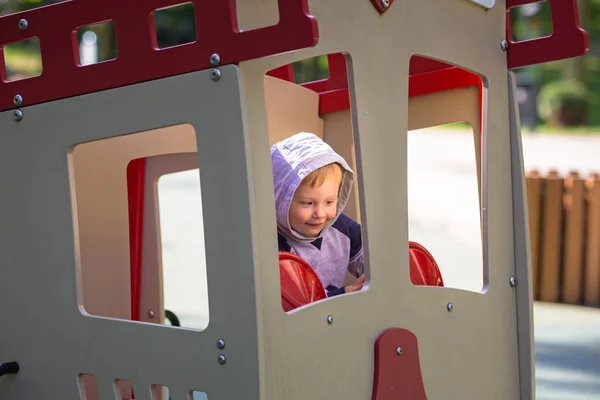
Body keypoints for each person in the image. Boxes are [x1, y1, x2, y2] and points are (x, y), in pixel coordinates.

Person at [271, 132, 365, 297]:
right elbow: (298, 300)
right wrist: (345, 294)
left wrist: (380, 273)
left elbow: (370, 255)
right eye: (308, 203)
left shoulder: (340, 227)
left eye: (329, 202)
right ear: (280, 202)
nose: (320, 214)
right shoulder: (275, 247)